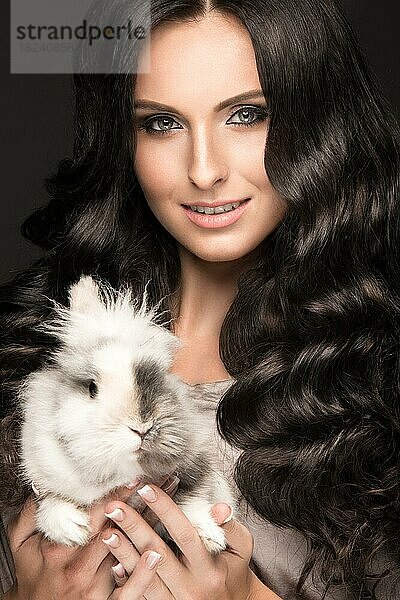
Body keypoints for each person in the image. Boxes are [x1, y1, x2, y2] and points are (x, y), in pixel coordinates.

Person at [1, 0, 400, 598]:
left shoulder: (380, 377)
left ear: (318, 123)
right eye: (161, 122)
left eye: (247, 115)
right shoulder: (25, 358)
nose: (204, 169)